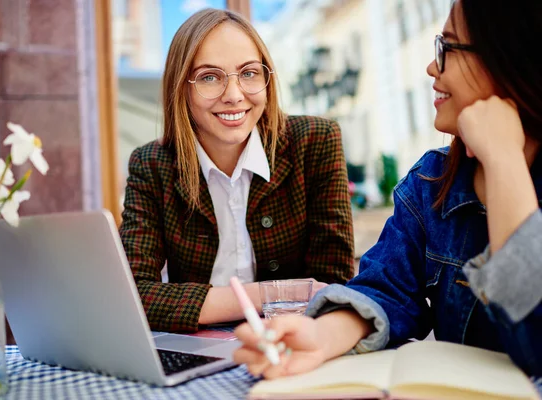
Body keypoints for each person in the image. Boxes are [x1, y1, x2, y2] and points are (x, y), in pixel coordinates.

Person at [234, 0, 542, 378]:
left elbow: (535, 344)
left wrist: (504, 160)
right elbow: (386, 290)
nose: (432, 66)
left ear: (507, 60)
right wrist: (319, 335)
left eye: (448, 48)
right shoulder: (430, 182)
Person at [119, 8, 355, 333]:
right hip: (194, 347)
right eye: (209, 77)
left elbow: (332, 286)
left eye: (248, 73)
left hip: (293, 342)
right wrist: (264, 296)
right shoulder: (151, 164)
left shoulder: (315, 142)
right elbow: (132, 296)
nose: (233, 96)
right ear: (182, 89)